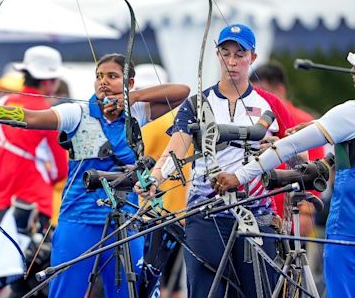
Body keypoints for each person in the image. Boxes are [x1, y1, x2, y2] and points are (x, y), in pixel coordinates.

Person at [0, 53, 190, 297]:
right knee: (66, 292)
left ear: (129, 83)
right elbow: (29, 118)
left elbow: (182, 92)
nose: (103, 82)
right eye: (99, 76)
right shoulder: (77, 112)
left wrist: (132, 97)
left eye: (112, 76)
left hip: (124, 221)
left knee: (128, 293)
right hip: (78, 220)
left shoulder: (137, 113)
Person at [138, 24, 299, 298]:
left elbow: (299, 156)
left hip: (256, 214)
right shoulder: (196, 103)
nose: (232, 61)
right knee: (205, 292)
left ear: (253, 58)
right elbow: (174, 150)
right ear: (217, 55)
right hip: (205, 214)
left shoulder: (268, 105)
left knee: (258, 292)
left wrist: (276, 147)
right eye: (225, 54)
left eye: (240, 54)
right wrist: (155, 178)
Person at [214, 51, 355, 298]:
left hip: (347, 229)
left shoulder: (349, 113)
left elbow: (287, 147)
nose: (352, 73)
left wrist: (240, 176)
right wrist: (319, 127)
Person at [0, 46, 69, 296]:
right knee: (32, 276)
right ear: (49, 80)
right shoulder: (49, 114)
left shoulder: (1, 103)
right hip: (33, 206)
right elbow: (62, 170)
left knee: (10, 272)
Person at [250, 61, 325, 237]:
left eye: (263, 91)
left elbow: (316, 170)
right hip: (259, 214)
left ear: (280, 89)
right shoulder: (254, 119)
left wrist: (307, 212)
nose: (260, 97)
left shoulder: (302, 121)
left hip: (293, 216)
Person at [135, 63, 188, 298]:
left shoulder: (141, 121)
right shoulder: (184, 116)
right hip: (180, 211)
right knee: (173, 285)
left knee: (147, 283)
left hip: (148, 211)